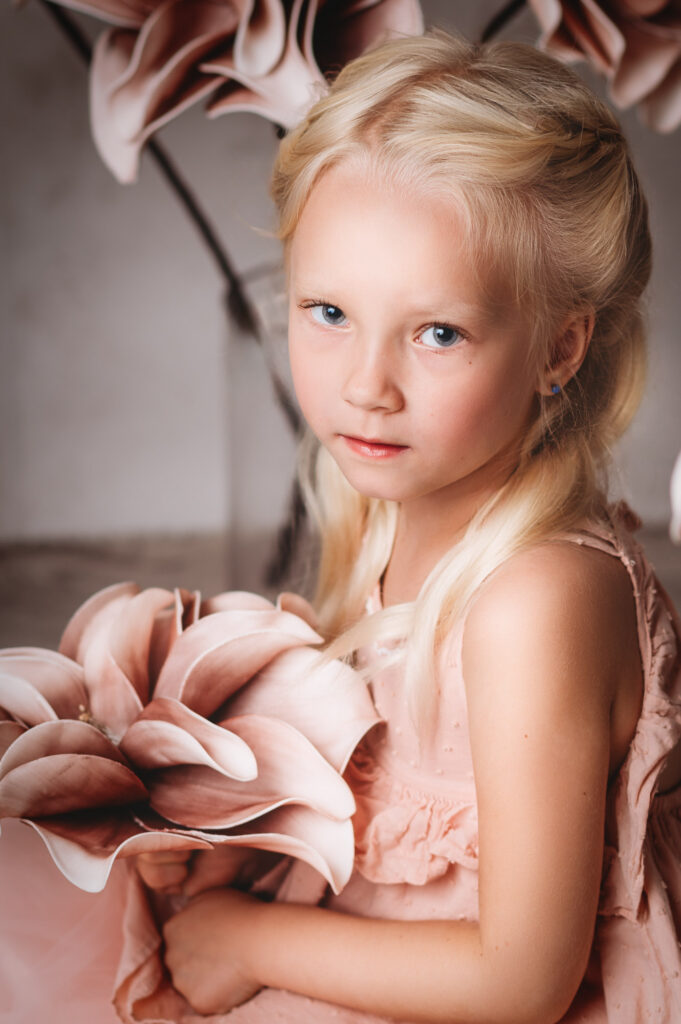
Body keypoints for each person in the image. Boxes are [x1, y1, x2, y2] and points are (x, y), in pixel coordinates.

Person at [139, 29, 681, 1024]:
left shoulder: (534, 600)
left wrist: (250, 938)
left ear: (561, 344)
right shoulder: (394, 518)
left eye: (439, 332)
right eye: (329, 311)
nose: (365, 386)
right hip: (385, 946)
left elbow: (521, 982)